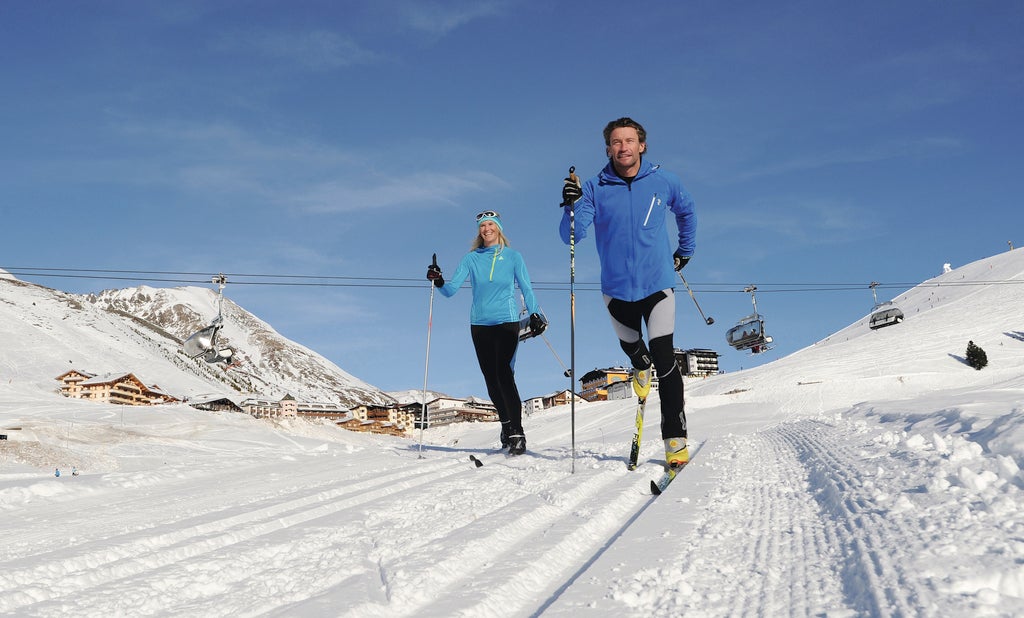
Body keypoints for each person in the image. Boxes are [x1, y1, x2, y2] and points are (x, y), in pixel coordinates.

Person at [559, 117, 697, 469]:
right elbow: (572, 237)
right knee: (633, 347)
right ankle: (638, 364)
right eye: (616, 142)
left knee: (665, 359)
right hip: (616, 291)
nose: (623, 147)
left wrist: (686, 249)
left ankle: (675, 441)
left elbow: (686, 210)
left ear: (642, 145)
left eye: (629, 141)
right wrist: (570, 207)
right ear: (608, 149)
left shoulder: (664, 181)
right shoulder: (593, 187)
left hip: (658, 285)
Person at [426, 211, 545, 455]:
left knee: (504, 372)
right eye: (482, 225)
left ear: (498, 228)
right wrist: (438, 280)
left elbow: (526, 287)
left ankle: (517, 432)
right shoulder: (471, 259)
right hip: (479, 324)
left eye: (491, 224)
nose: (486, 228)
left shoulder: (513, 256)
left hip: (507, 321)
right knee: (491, 380)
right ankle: (505, 424)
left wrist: (533, 313)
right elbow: (450, 291)